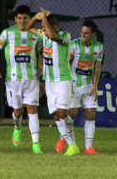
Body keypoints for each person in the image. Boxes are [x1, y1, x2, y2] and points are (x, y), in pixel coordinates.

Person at [27, 8, 79, 155]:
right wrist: (36, 17)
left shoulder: (65, 36)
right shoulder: (44, 34)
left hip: (63, 79)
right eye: (42, 27)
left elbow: (52, 35)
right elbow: (28, 27)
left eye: (44, 26)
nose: (42, 29)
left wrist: (44, 19)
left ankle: (71, 142)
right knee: (56, 115)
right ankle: (72, 145)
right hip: (49, 80)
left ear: (55, 25)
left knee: (63, 113)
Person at [0, 5, 43, 154]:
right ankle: (17, 127)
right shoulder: (7, 33)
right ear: (15, 19)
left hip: (31, 78)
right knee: (18, 111)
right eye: (19, 18)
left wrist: (41, 66)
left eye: (25, 18)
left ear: (29, 19)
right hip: (13, 80)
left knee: (32, 109)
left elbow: (38, 53)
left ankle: (36, 144)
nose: (21, 21)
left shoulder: (35, 35)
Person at [55, 20, 103, 154]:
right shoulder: (74, 45)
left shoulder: (98, 47)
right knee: (71, 113)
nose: (83, 35)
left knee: (90, 114)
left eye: (86, 33)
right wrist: (67, 84)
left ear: (93, 34)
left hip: (88, 85)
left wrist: (95, 86)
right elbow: (65, 64)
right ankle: (63, 137)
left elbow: (97, 68)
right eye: (82, 32)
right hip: (74, 84)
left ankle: (88, 147)